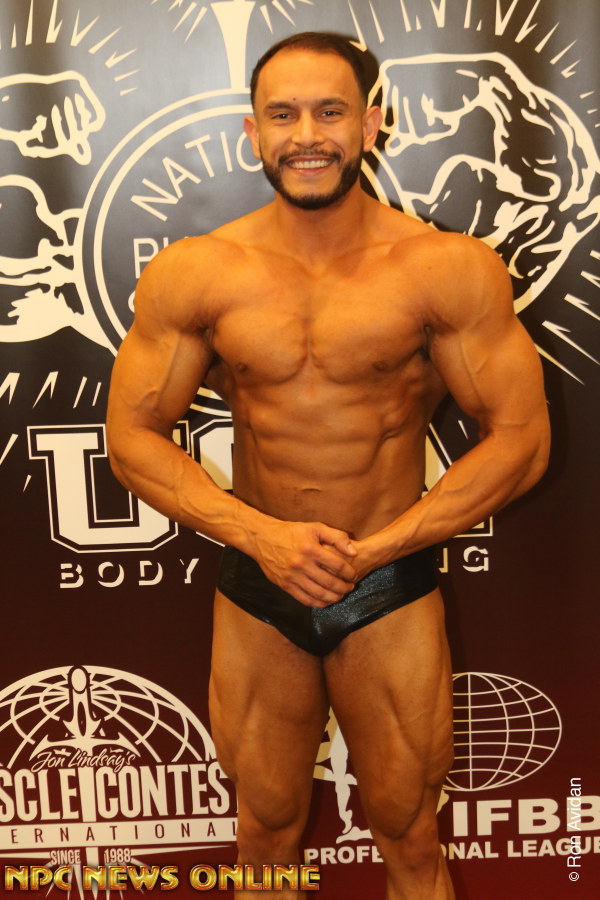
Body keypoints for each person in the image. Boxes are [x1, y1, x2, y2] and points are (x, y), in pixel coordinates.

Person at [106, 32, 550, 900]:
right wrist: (260, 537)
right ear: (252, 133)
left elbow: (521, 441)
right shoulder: (198, 272)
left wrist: (383, 548)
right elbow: (131, 437)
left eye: (330, 112)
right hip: (260, 585)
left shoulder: (443, 268)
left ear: (370, 125)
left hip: (387, 586)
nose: (306, 135)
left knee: (410, 835)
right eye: (283, 115)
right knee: (264, 830)